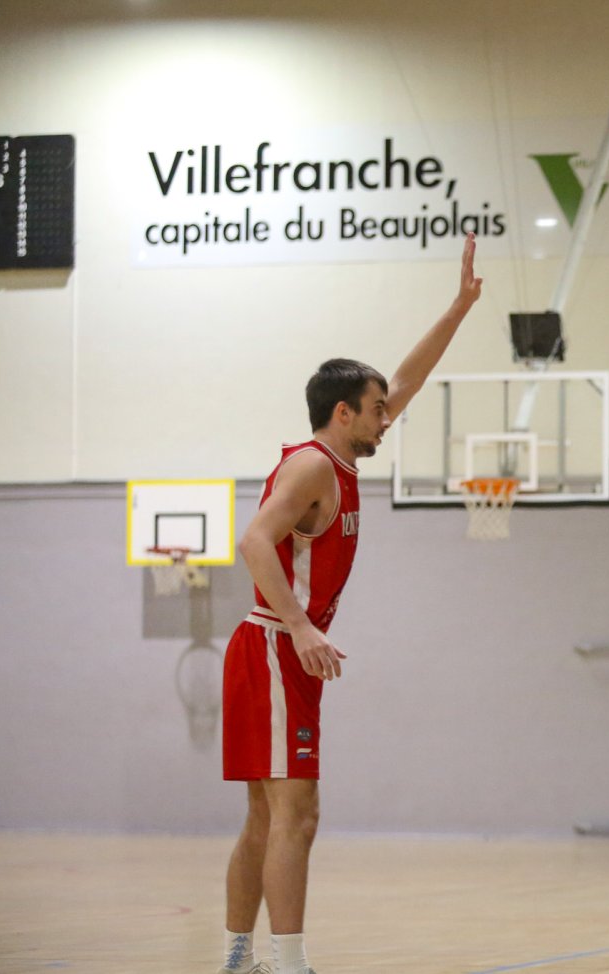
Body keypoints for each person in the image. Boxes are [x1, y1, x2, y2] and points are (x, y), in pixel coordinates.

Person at [215, 235, 483, 974]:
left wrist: (459, 308)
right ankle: (287, 963)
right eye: (375, 411)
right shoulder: (310, 466)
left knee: (268, 817)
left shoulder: (333, 456)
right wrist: (299, 626)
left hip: (274, 649)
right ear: (342, 414)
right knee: (295, 815)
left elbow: (405, 378)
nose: (386, 417)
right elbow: (253, 541)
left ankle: (239, 958)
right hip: (275, 645)